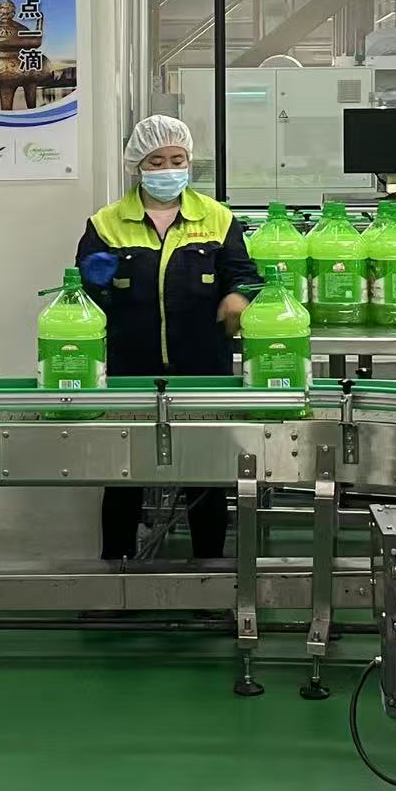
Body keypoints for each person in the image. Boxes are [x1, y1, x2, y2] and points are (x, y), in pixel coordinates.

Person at [76, 115, 257, 560]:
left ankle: (209, 571)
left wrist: (238, 295)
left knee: (206, 477)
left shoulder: (217, 218)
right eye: (157, 161)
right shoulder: (107, 223)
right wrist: (95, 283)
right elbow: (84, 299)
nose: (168, 169)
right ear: (138, 165)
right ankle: (116, 572)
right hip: (129, 368)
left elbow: (245, 274)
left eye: (177, 159)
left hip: (203, 368)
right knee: (124, 475)